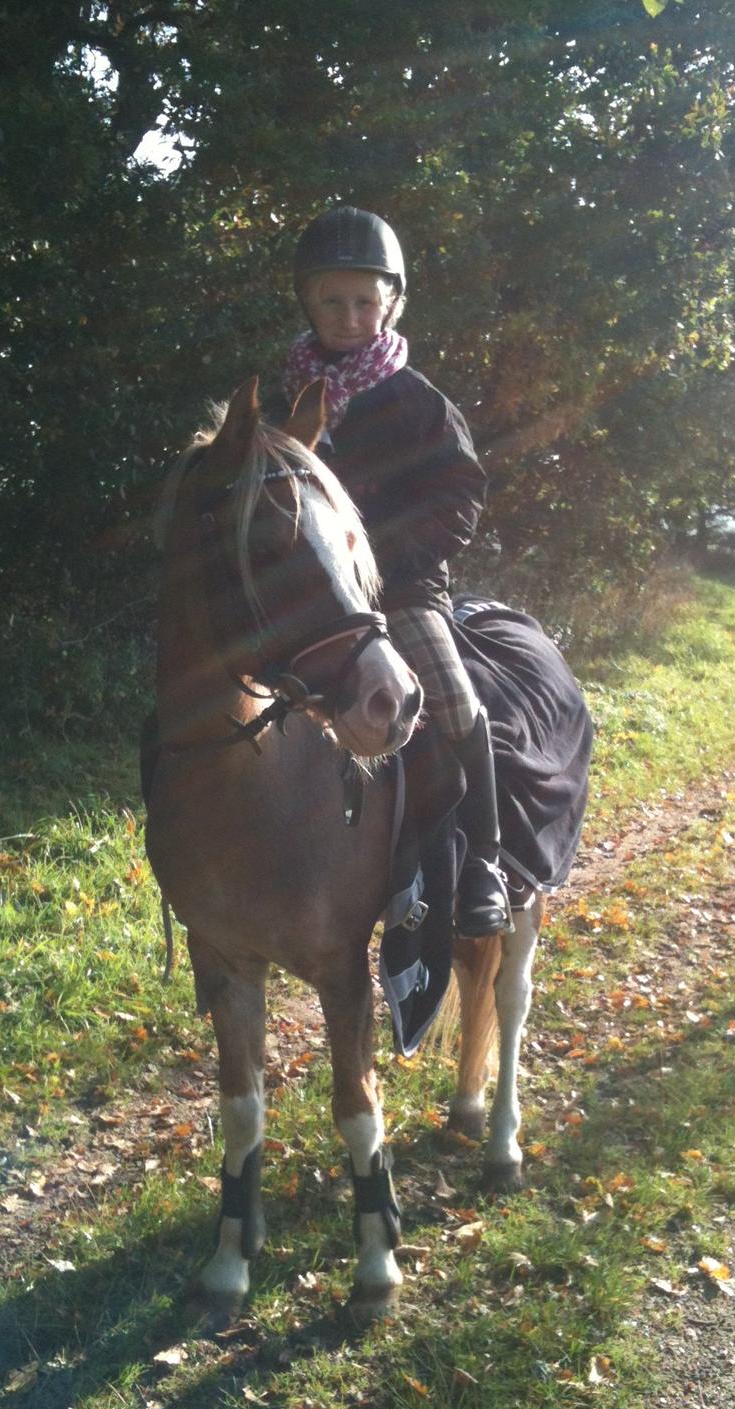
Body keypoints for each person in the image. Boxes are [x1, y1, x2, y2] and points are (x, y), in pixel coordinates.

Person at [282, 205, 511, 939]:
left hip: (402, 588)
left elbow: (461, 496)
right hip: (305, 592)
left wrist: (382, 562)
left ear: (390, 305)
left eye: (363, 301)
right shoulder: (286, 397)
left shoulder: (419, 401)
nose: (348, 317)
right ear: (308, 303)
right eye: (332, 301)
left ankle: (485, 861)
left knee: (452, 699)